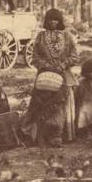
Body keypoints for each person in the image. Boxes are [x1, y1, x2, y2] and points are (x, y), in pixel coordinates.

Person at [24, 8, 78, 147]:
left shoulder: (67, 36)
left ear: (60, 21)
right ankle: (39, 135)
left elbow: (74, 56)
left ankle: (59, 135)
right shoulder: (40, 37)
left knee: (60, 105)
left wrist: (62, 65)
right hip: (44, 77)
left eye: (56, 20)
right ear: (46, 21)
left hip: (63, 75)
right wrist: (46, 65)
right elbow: (34, 57)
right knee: (40, 104)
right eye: (50, 19)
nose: (53, 22)